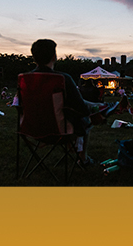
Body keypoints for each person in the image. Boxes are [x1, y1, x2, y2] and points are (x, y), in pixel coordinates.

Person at [28, 39, 116, 167]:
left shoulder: (25, 79)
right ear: (54, 57)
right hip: (59, 131)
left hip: (31, 130)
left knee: (83, 111)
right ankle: (83, 158)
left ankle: (99, 108)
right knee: (86, 119)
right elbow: (81, 109)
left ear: (34, 57)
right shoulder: (62, 79)